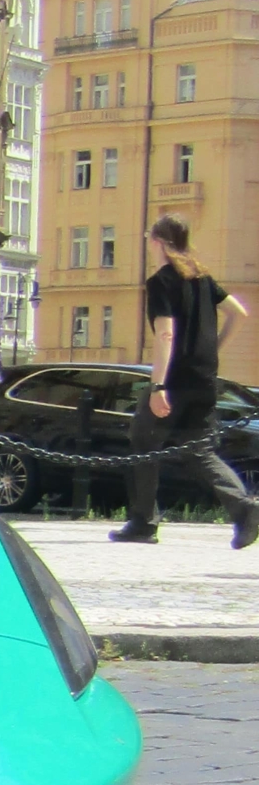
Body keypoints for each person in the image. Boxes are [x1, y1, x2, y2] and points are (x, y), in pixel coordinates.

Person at [111, 216, 256, 549]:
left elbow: (166, 334)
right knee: (199, 452)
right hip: (204, 379)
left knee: (143, 442)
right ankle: (245, 509)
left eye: (150, 237)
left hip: (173, 380)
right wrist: (212, 349)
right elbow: (240, 313)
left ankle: (143, 523)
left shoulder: (162, 281)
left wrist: (158, 387)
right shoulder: (202, 279)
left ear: (159, 241)